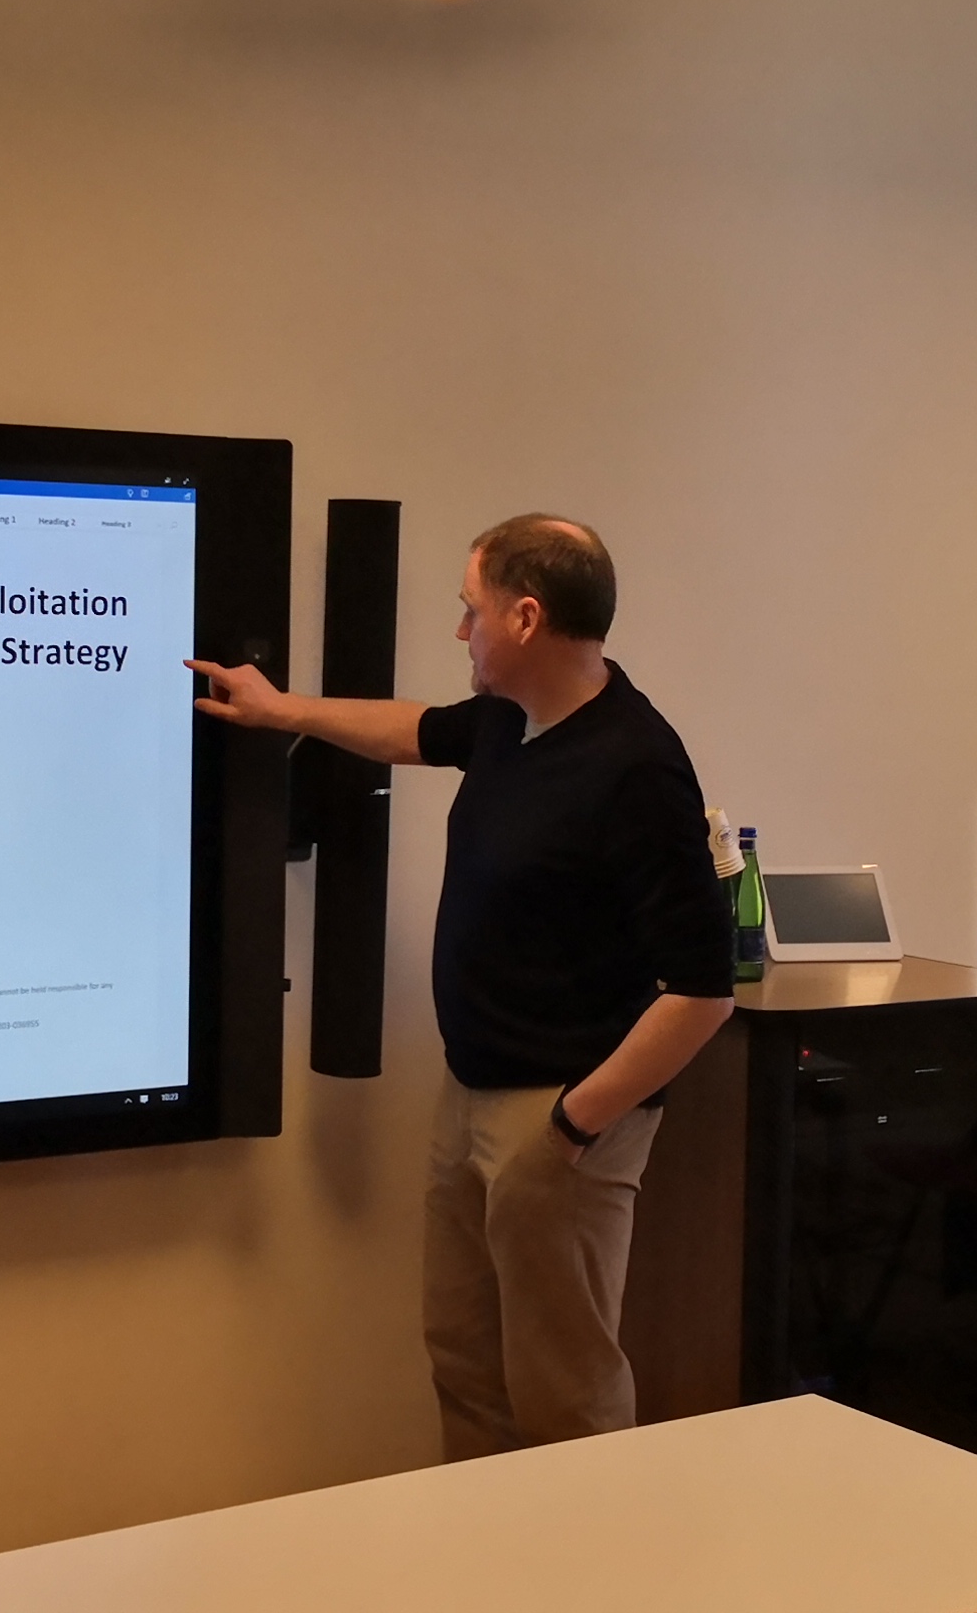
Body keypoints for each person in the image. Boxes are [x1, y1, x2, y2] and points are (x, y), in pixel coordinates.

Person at [188, 513, 735, 1459]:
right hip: (471, 1092)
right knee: (466, 1361)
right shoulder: (505, 721)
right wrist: (284, 710)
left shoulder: (636, 765)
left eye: (470, 610)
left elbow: (702, 992)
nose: (459, 630)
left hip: (559, 1118)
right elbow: (412, 730)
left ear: (526, 618)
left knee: (564, 1393)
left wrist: (572, 1127)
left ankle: (587, 1552)